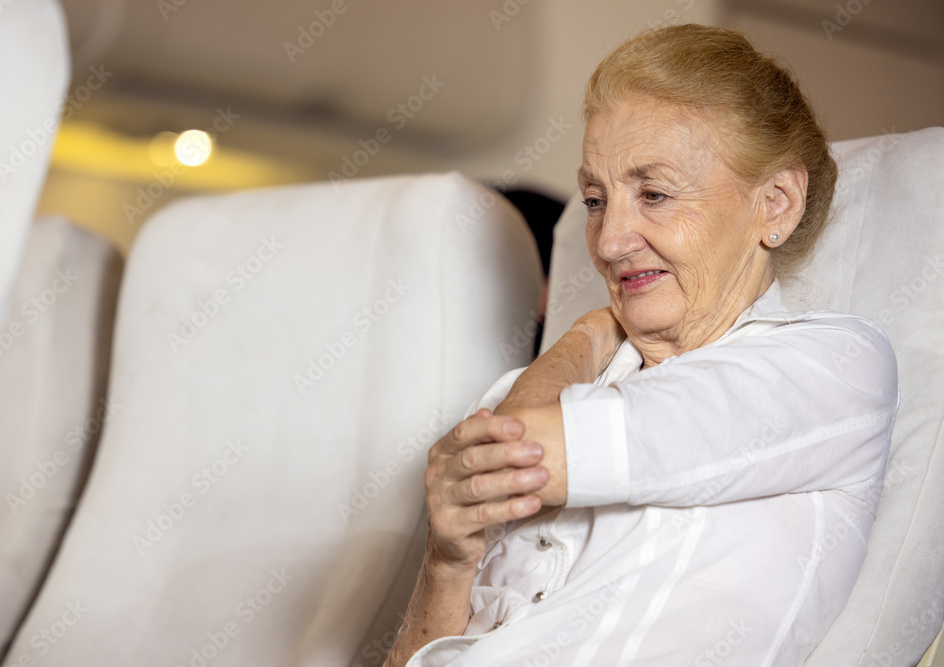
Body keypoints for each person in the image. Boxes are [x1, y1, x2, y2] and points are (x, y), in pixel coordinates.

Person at [385, 24, 899, 666]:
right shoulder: (542, 385)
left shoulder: (833, 368)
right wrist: (446, 562)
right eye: (597, 200)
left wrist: (591, 328)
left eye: (654, 194)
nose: (607, 241)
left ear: (775, 204)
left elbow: (515, 450)